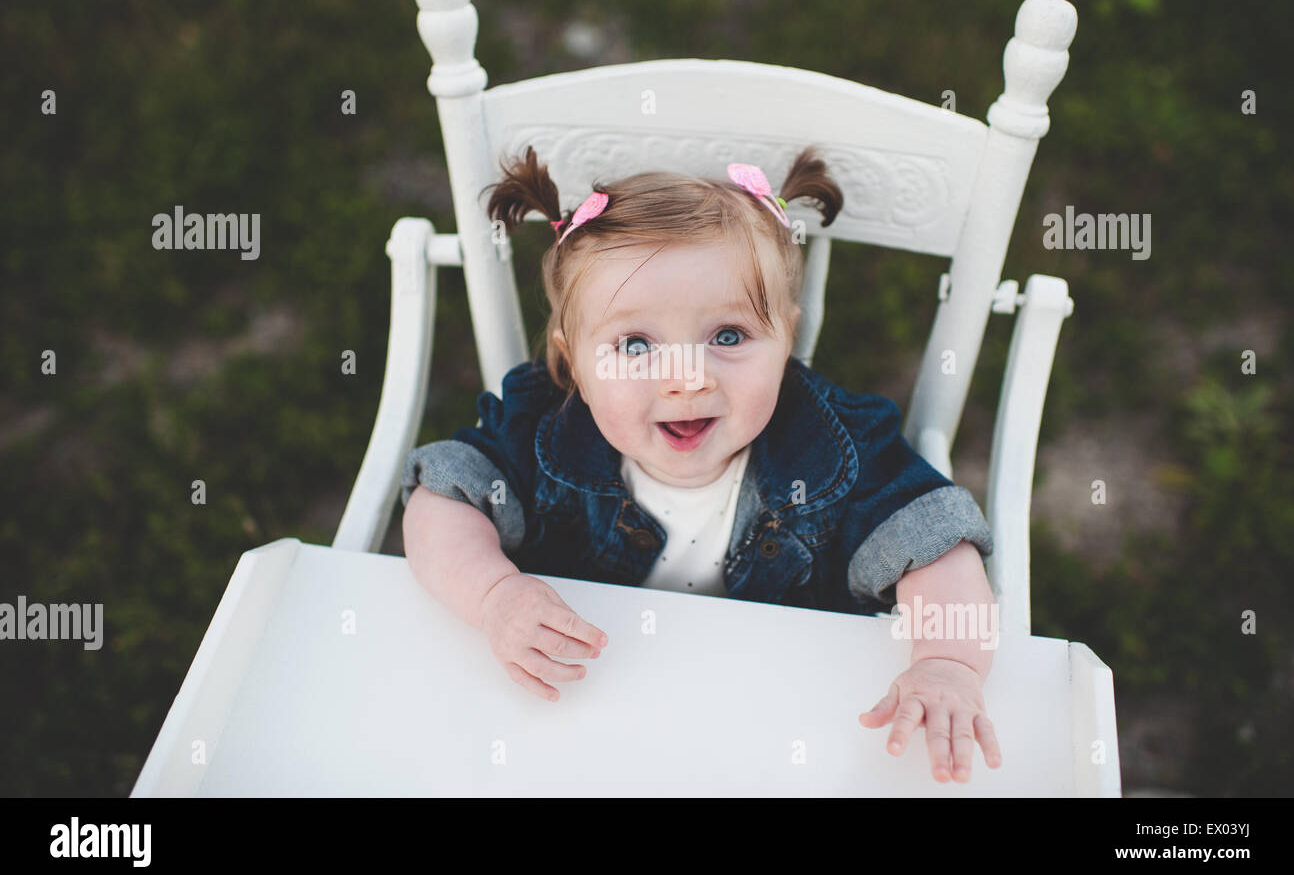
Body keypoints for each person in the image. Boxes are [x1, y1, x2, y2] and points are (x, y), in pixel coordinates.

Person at [401, 145, 1002, 783]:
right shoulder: (543, 429)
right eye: (635, 344)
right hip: (581, 725)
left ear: (786, 338)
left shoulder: (833, 448)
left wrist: (947, 664)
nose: (687, 379)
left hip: (772, 735)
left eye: (728, 337)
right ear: (574, 362)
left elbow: (935, 548)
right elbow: (443, 501)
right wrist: (495, 595)